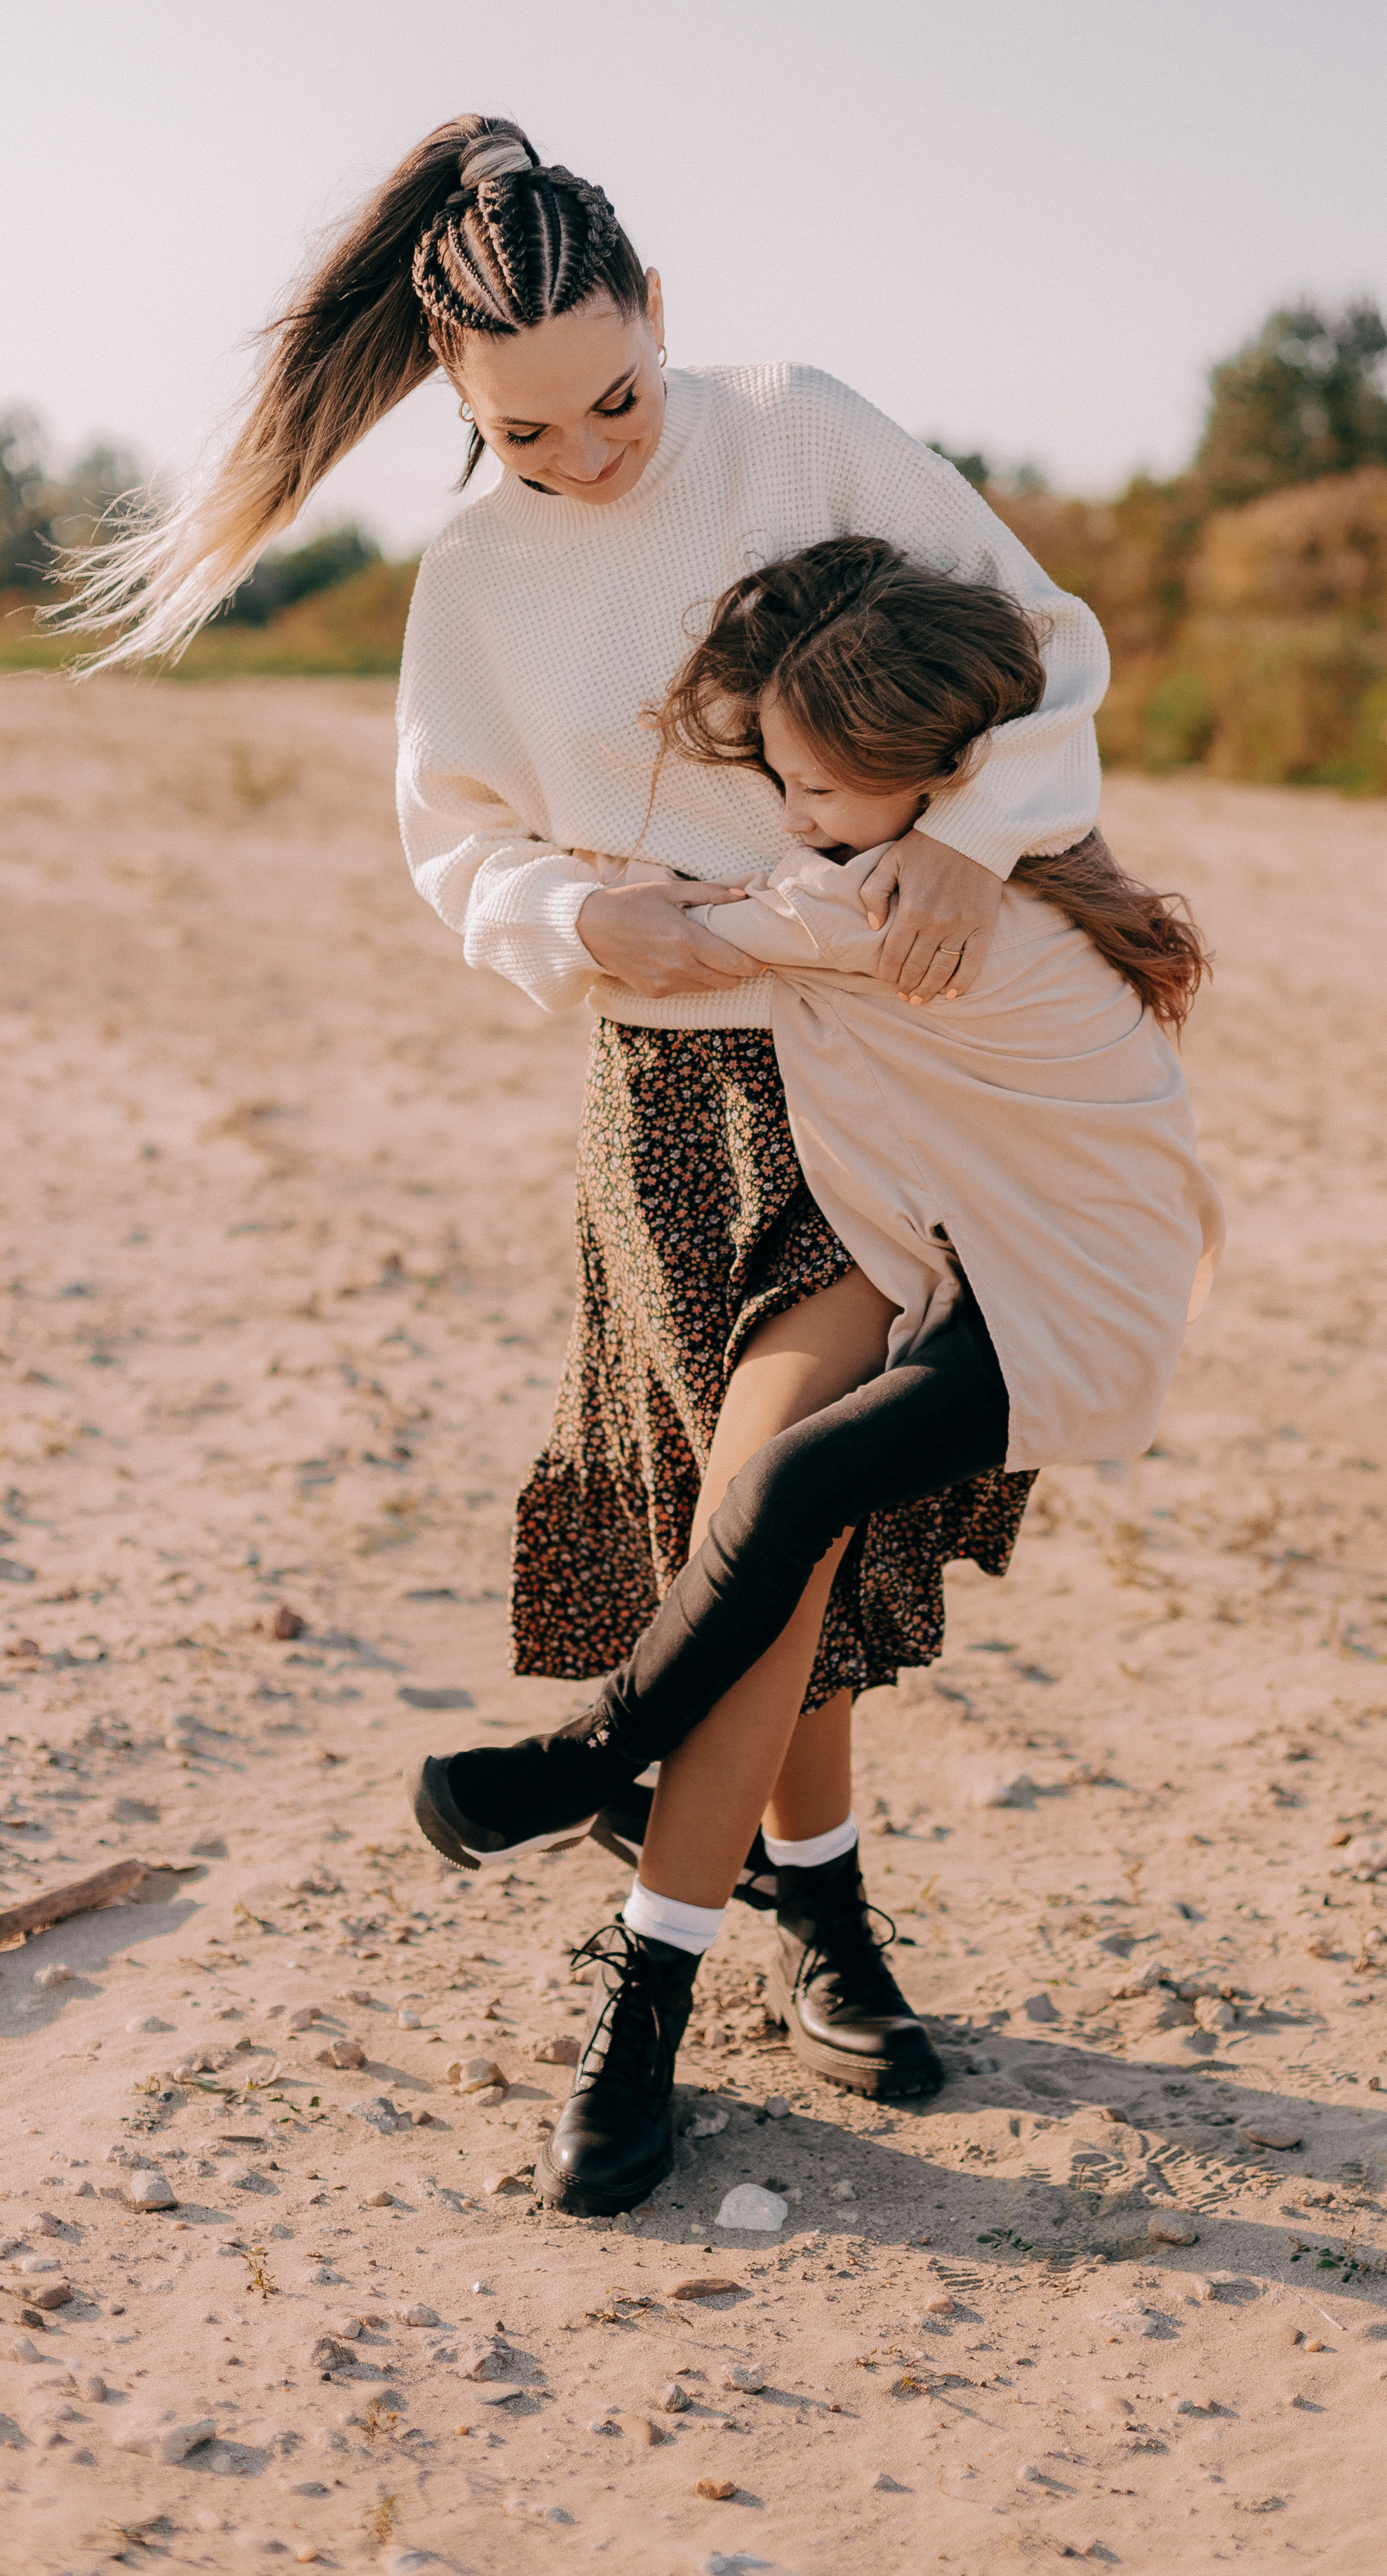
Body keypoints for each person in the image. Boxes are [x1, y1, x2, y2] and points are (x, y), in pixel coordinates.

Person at [58, 114, 1109, 2141]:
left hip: (879, 1055)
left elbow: (1050, 641)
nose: (594, 452)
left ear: (663, 323)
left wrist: (973, 845)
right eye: (530, 433)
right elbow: (452, 848)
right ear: (455, 401)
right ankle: (830, 1918)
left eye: (617, 398)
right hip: (666, 1097)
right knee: (749, 1540)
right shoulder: (470, 576)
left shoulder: (798, 428)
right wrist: (575, 912)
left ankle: (648, 1998)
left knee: (778, 1488)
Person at [411, 539, 1223, 2217]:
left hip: (1044, 1304)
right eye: (773, 777)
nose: (781, 809)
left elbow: (684, 937)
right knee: (778, 1518)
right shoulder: (985, 861)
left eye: (808, 784)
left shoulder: (885, 906)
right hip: (1015, 1265)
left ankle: (592, 1769)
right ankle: (721, 1849)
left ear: (936, 784)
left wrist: (587, 900)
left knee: (781, 1494)